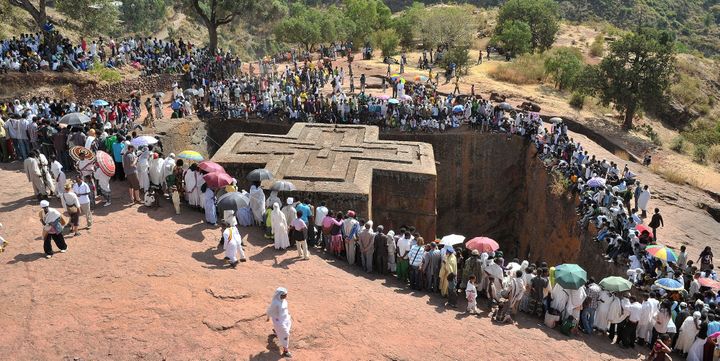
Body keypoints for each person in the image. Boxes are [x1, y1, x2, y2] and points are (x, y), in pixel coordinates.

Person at [266, 287, 293, 358]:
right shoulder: (275, 303)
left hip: (285, 318)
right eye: (284, 295)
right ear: (279, 295)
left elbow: (285, 309)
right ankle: (285, 350)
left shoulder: (284, 300)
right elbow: (270, 310)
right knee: (286, 334)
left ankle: (277, 331)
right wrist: (268, 317)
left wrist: (288, 314)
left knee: (286, 330)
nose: (286, 296)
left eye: (286, 294)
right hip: (279, 321)